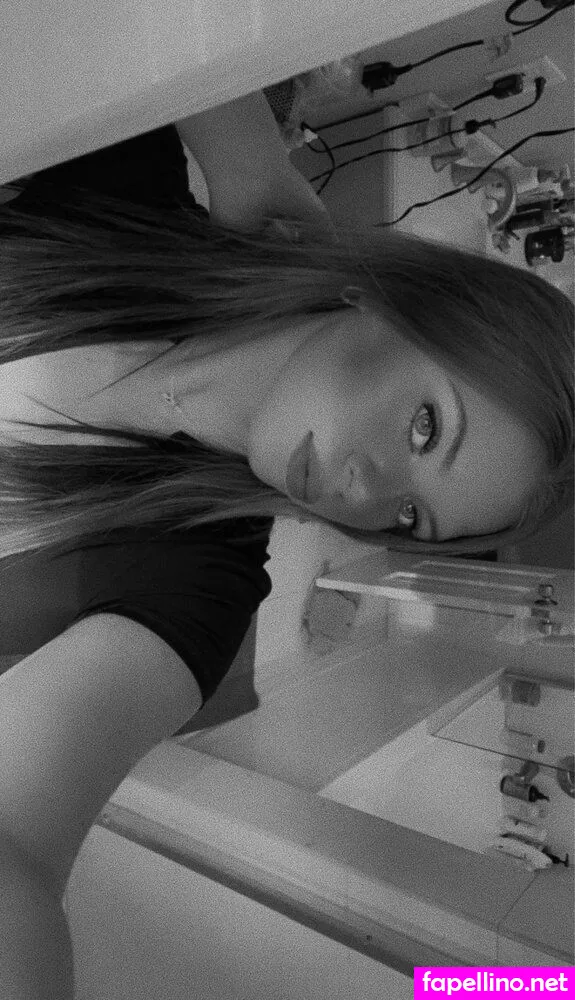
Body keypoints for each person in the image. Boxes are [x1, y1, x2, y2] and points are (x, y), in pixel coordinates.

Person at [0, 90, 572, 997]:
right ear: (390, 301)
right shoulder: (123, 187)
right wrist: (250, 158)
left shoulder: (201, 590)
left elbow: (18, 840)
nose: (366, 494)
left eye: (409, 517)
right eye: (424, 427)